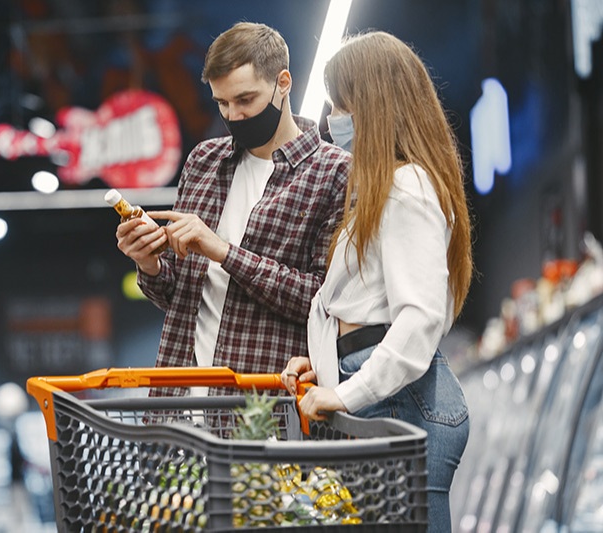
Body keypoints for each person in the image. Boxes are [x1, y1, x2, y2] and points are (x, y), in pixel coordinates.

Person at [281, 31, 473, 531]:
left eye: (340, 105)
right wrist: (322, 362)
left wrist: (344, 394)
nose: (331, 121)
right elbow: (366, 308)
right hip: (388, 398)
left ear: (373, 106)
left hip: (400, 405)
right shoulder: (387, 188)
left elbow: (419, 318)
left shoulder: (407, 187)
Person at [115, 22, 350, 395]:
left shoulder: (334, 172)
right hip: (178, 407)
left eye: (245, 100)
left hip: (263, 411)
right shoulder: (203, 162)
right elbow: (180, 297)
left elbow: (325, 303)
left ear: (283, 82)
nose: (234, 116)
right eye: (222, 103)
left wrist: (223, 252)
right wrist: (150, 263)